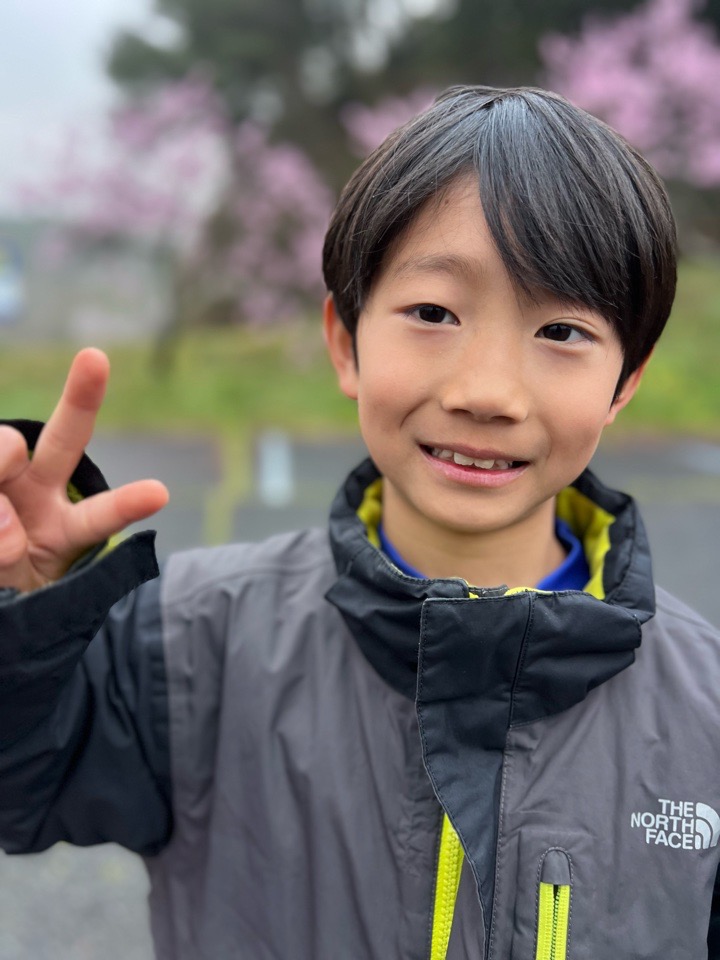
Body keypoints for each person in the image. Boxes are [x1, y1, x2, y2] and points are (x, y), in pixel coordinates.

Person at [0, 85, 718, 960]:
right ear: (345, 341)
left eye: (562, 330)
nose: (487, 392)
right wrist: (22, 618)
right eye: (433, 313)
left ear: (626, 380)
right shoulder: (186, 644)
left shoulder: (706, 707)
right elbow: (19, 782)